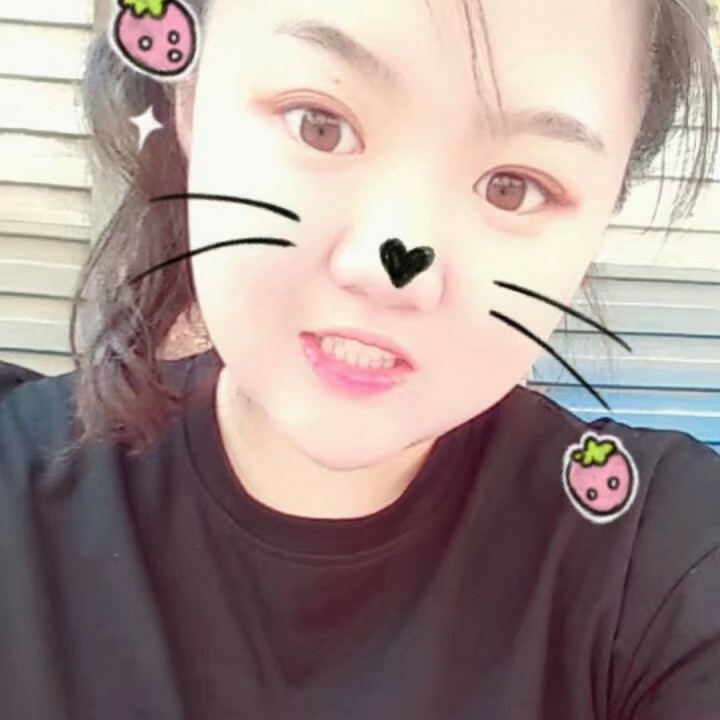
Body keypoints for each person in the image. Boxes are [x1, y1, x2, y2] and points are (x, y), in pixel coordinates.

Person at [1, 0, 719, 718]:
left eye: (515, 188)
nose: (392, 269)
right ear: (185, 98)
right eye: (318, 123)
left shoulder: (668, 558)